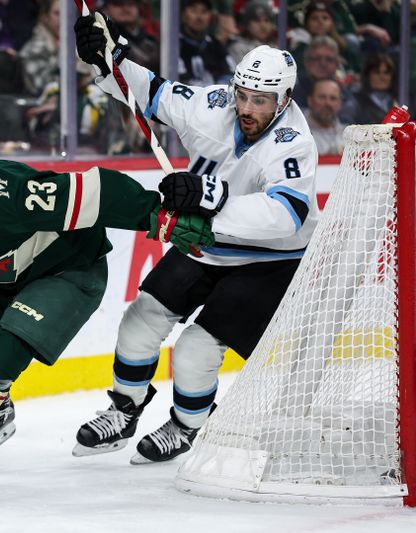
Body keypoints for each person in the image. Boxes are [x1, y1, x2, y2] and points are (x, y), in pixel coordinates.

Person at [0, 124, 215, 478]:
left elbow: (96, 191)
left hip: (69, 270)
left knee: (4, 355)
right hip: (7, 276)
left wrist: (159, 215)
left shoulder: (10, 191)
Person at [72, 14, 318, 463]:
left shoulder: (293, 142)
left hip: (270, 263)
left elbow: (284, 217)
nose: (245, 108)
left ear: (284, 100)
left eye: (259, 101)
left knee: (195, 350)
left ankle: (189, 424)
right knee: (141, 318)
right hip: (206, 244)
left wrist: (211, 195)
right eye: (242, 95)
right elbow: (150, 93)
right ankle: (124, 410)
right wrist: (107, 61)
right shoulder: (217, 103)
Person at [178, 0, 234, 87]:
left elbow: (230, 72)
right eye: (194, 11)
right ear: (184, 14)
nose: (199, 17)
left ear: (210, 17)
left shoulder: (215, 44)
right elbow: (179, 79)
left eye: (204, 12)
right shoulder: (175, 45)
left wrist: (219, 88)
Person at [351, 53, 398, 125]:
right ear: (368, 76)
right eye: (377, 72)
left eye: (386, 73)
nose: (382, 77)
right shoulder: (355, 102)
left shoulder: (399, 100)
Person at [304, 78, 346, 154]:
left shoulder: (349, 134)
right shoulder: (298, 132)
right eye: (322, 97)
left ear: (340, 104)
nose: (328, 103)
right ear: (310, 100)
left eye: (333, 98)